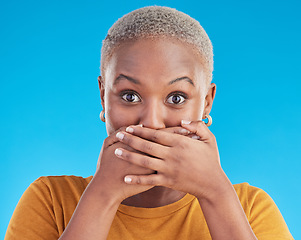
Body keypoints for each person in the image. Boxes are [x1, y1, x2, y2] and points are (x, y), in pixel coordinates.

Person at [5, 6, 293, 240]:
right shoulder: (51, 201)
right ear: (103, 98)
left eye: (177, 98)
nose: (152, 123)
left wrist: (216, 193)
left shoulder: (249, 208)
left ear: (206, 102)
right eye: (129, 96)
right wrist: (102, 196)